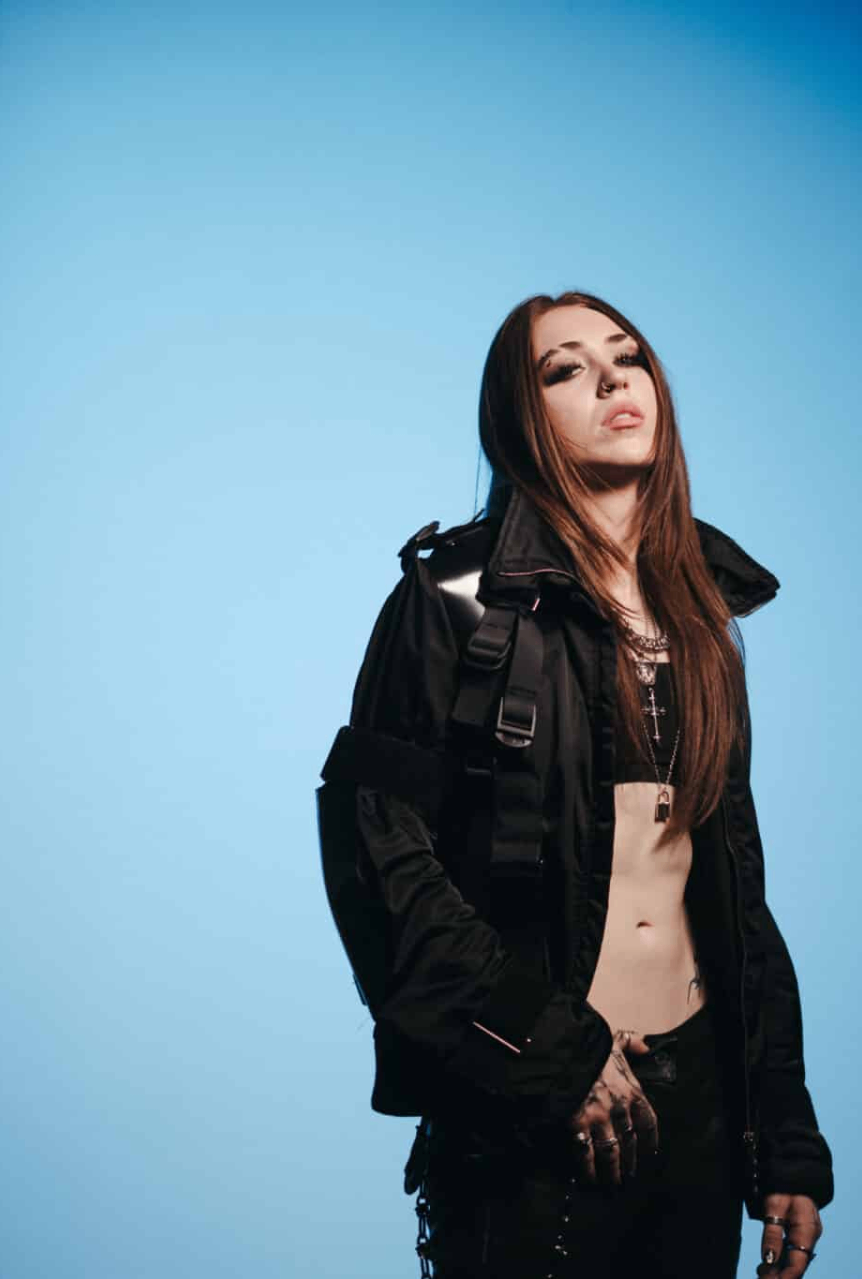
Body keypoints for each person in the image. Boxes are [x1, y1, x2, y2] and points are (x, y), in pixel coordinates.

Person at [317, 291, 832, 1277]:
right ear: (522, 418)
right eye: (565, 369)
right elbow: (376, 857)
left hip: (699, 1110)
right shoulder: (451, 599)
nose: (610, 380)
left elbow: (734, 893)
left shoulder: (703, 618)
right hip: (533, 1107)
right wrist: (548, 1051)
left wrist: (784, 1137)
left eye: (627, 358)